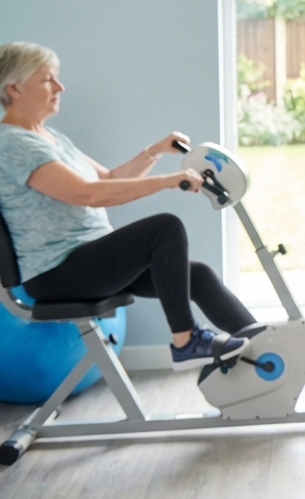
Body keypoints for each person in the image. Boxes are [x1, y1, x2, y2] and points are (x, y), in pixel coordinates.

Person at [0, 42, 264, 369]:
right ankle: (185, 340)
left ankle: (269, 347)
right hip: (58, 271)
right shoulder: (11, 143)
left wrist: (153, 152)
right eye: (47, 80)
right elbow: (88, 194)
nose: (59, 87)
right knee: (164, 228)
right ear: (14, 88)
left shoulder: (50, 137)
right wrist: (169, 180)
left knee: (198, 275)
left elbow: (108, 178)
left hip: (88, 260)